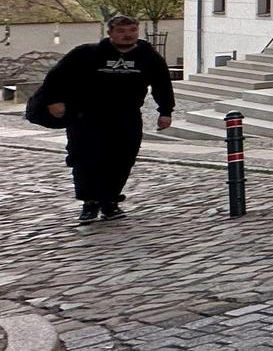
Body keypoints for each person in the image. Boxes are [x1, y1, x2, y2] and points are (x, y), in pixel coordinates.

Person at [34, 15, 174, 224]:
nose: (127, 35)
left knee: (121, 159)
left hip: (126, 116)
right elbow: (56, 77)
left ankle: (110, 201)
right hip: (86, 116)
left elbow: (162, 84)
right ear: (110, 33)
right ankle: (89, 202)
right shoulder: (86, 53)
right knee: (85, 159)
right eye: (121, 31)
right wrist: (53, 100)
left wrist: (165, 111)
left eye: (132, 30)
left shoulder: (149, 57)